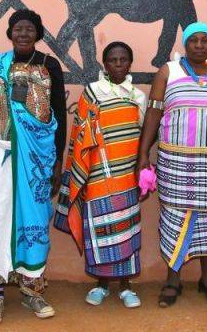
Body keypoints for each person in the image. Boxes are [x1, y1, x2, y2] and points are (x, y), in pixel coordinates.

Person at [136, 22, 207, 309]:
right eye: (194, 41)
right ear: (185, 45)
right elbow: (153, 114)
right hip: (176, 162)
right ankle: (172, 281)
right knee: (173, 218)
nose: (199, 45)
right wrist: (143, 154)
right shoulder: (169, 71)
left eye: (205, 41)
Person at [0, 9, 67, 324]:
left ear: (38, 34)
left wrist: (57, 162)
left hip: (38, 159)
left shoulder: (50, 66)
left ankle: (31, 289)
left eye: (29, 29)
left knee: (34, 219)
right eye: (18, 29)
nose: (23, 34)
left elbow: (60, 117)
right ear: (10, 33)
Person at [55, 42, 146, 309]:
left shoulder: (137, 96)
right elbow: (79, 133)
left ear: (130, 63)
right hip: (96, 173)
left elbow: (142, 135)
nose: (118, 64)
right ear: (104, 65)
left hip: (126, 173)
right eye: (113, 60)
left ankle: (126, 287)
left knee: (127, 230)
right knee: (101, 229)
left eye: (123, 60)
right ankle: (102, 285)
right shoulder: (92, 92)